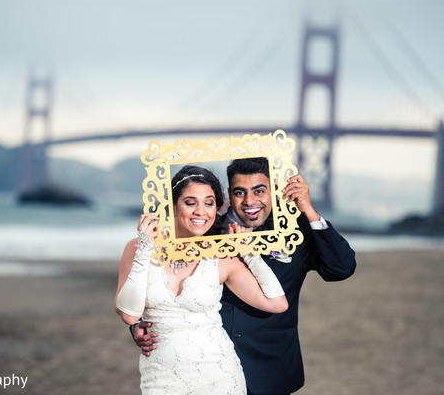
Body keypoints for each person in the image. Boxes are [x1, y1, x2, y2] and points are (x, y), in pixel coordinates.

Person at [134, 157, 357, 395]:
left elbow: (340, 269)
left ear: (274, 192)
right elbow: (164, 281)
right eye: (240, 192)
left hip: (270, 366)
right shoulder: (204, 225)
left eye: (259, 191)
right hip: (207, 365)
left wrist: (309, 211)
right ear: (230, 193)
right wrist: (140, 325)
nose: (250, 201)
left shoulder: (293, 230)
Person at [115, 165, 288, 395]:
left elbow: (277, 303)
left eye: (209, 203)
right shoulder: (139, 248)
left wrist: (250, 255)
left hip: (219, 376)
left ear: (216, 208)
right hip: (161, 378)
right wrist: (144, 251)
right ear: (173, 206)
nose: (201, 211)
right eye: (190, 202)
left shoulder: (221, 256)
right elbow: (129, 314)